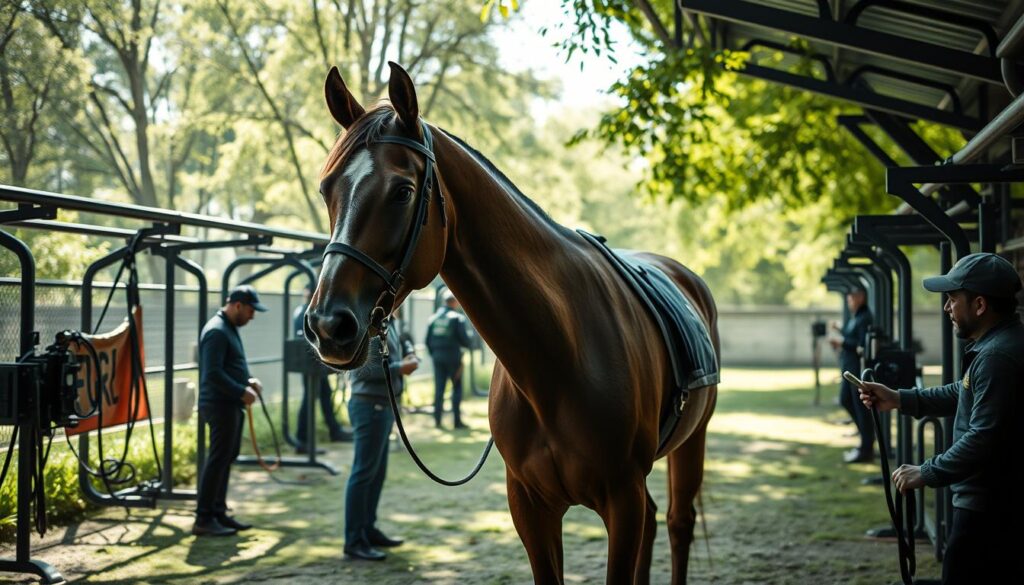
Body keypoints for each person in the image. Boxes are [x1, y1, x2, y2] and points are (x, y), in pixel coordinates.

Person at [858, 252, 1023, 584]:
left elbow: (983, 438)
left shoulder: (997, 356)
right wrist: (900, 398)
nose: (946, 308)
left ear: (979, 305)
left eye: (952, 299)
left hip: (988, 508)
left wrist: (926, 472)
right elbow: (962, 392)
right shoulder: (997, 346)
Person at [193, 285, 268, 537]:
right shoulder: (216, 331)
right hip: (219, 404)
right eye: (250, 310)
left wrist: (247, 382)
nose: (252, 315)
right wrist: (240, 391)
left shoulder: (227, 328)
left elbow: (228, 366)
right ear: (237, 305)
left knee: (225, 457)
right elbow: (212, 373)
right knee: (218, 459)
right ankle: (204, 518)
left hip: (229, 403)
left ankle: (217, 512)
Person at [344, 320, 419, 561]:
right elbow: (361, 369)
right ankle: (354, 541)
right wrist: (400, 368)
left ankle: (368, 530)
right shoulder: (368, 325)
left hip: (382, 406)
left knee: (376, 474)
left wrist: (408, 354)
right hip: (369, 406)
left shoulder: (390, 321)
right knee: (364, 473)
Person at [292, 285, 351, 452]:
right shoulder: (305, 312)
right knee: (309, 399)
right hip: (310, 364)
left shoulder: (307, 311)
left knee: (325, 394)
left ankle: (334, 430)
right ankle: (302, 440)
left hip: (316, 362)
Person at [830, 284, 874, 463]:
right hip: (849, 368)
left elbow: (860, 344)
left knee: (860, 409)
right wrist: (841, 332)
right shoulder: (856, 316)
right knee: (846, 401)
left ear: (860, 297)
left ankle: (866, 448)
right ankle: (864, 438)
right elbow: (852, 336)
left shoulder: (864, 317)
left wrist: (840, 341)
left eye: (850, 298)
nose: (848, 302)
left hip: (856, 370)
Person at [425, 289, 473, 429]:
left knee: (439, 389)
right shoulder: (457, 318)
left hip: (437, 358)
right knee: (456, 388)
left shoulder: (433, 319)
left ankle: (437, 421)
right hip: (454, 359)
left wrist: (434, 354)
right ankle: (457, 422)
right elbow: (465, 341)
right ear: (454, 301)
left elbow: (427, 341)